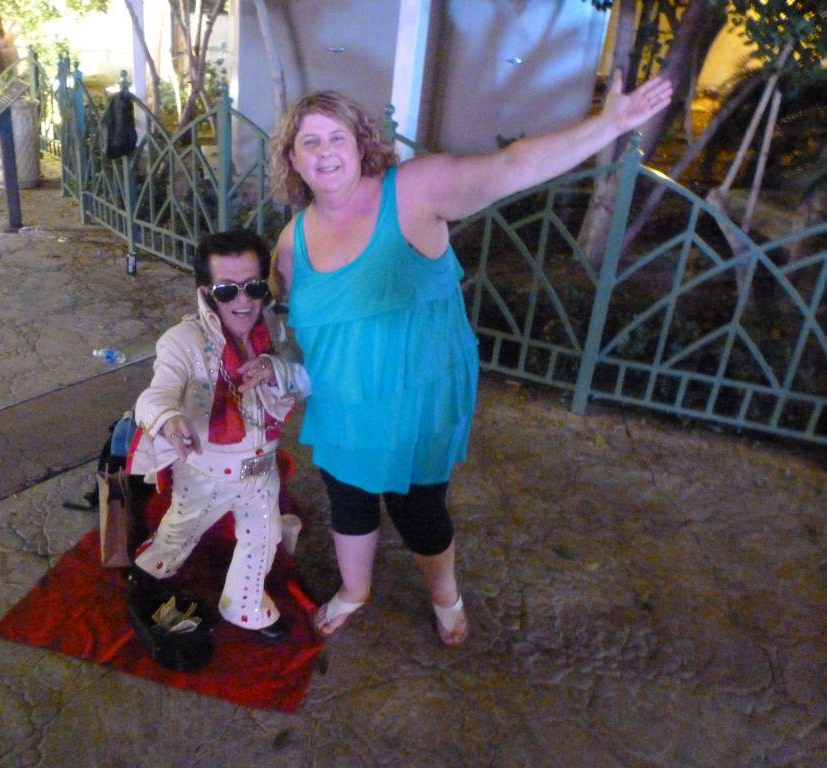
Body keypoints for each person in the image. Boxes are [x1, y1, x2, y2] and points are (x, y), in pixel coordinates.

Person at [269, 72, 672, 646]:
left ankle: (446, 597)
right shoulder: (292, 240)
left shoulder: (414, 191)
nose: (325, 152)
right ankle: (355, 591)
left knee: (418, 508)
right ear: (292, 159)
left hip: (417, 397)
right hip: (342, 400)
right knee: (349, 500)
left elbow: (511, 167)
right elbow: (294, 324)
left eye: (338, 137)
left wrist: (607, 125)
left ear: (362, 144)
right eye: (309, 141)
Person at [127, 229, 311, 642]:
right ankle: (148, 572)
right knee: (180, 531)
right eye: (227, 290)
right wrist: (169, 419)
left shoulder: (274, 333)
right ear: (207, 293)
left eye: (254, 287)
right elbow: (154, 395)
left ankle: (245, 605)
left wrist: (276, 370)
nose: (243, 301)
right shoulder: (183, 341)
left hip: (261, 468)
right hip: (207, 471)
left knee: (263, 538)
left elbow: (304, 375)